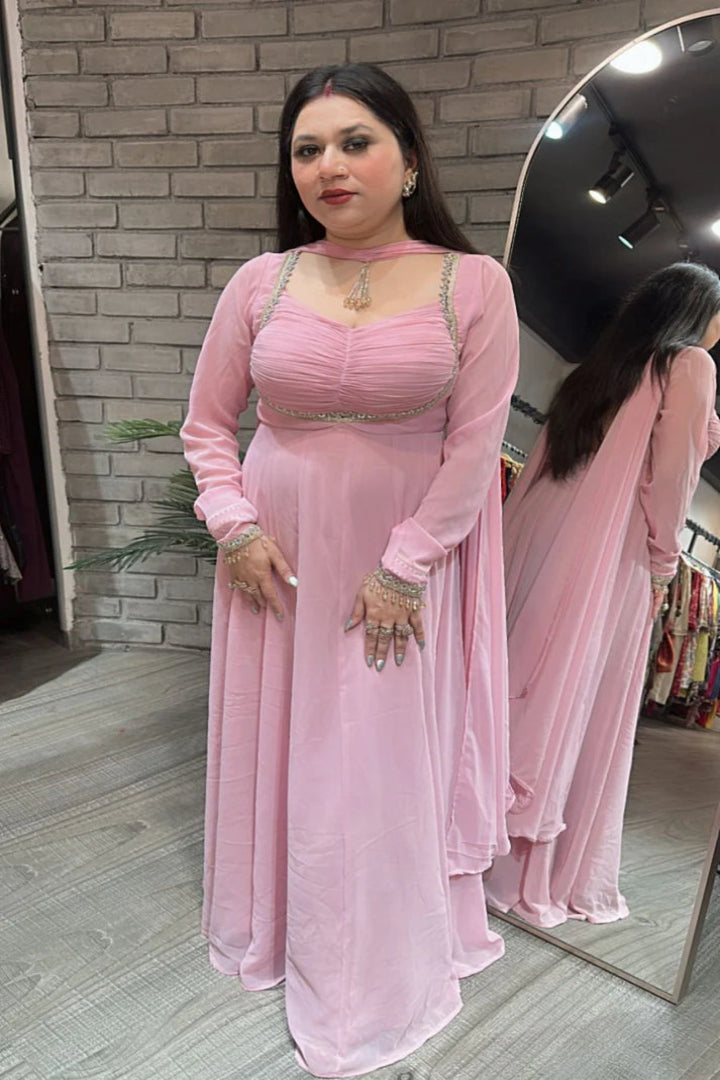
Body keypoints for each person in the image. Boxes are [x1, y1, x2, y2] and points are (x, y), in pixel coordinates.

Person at [180, 63, 519, 1077]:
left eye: (355, 141)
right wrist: (233, 524)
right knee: (291, 741)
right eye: (307, 148)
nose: (329, 165)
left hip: (402, 555)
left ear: (409, 159)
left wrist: (408, 566)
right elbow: (207, 427)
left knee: (374, 757)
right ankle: (283, 924)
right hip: (275, 557)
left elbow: (474, 449)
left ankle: (373, 958)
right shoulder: (262, 282)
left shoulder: (475, 285)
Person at [485, 262, 720, 929]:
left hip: (544, 542)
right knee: (579, 699)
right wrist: (663, 563)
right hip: (610, 555)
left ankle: (483, 841)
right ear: (696, 313)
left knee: (527, 686)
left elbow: (539, 468)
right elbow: (671, 477)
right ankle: (538, 869)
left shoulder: (599, 370)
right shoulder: (691, 366)